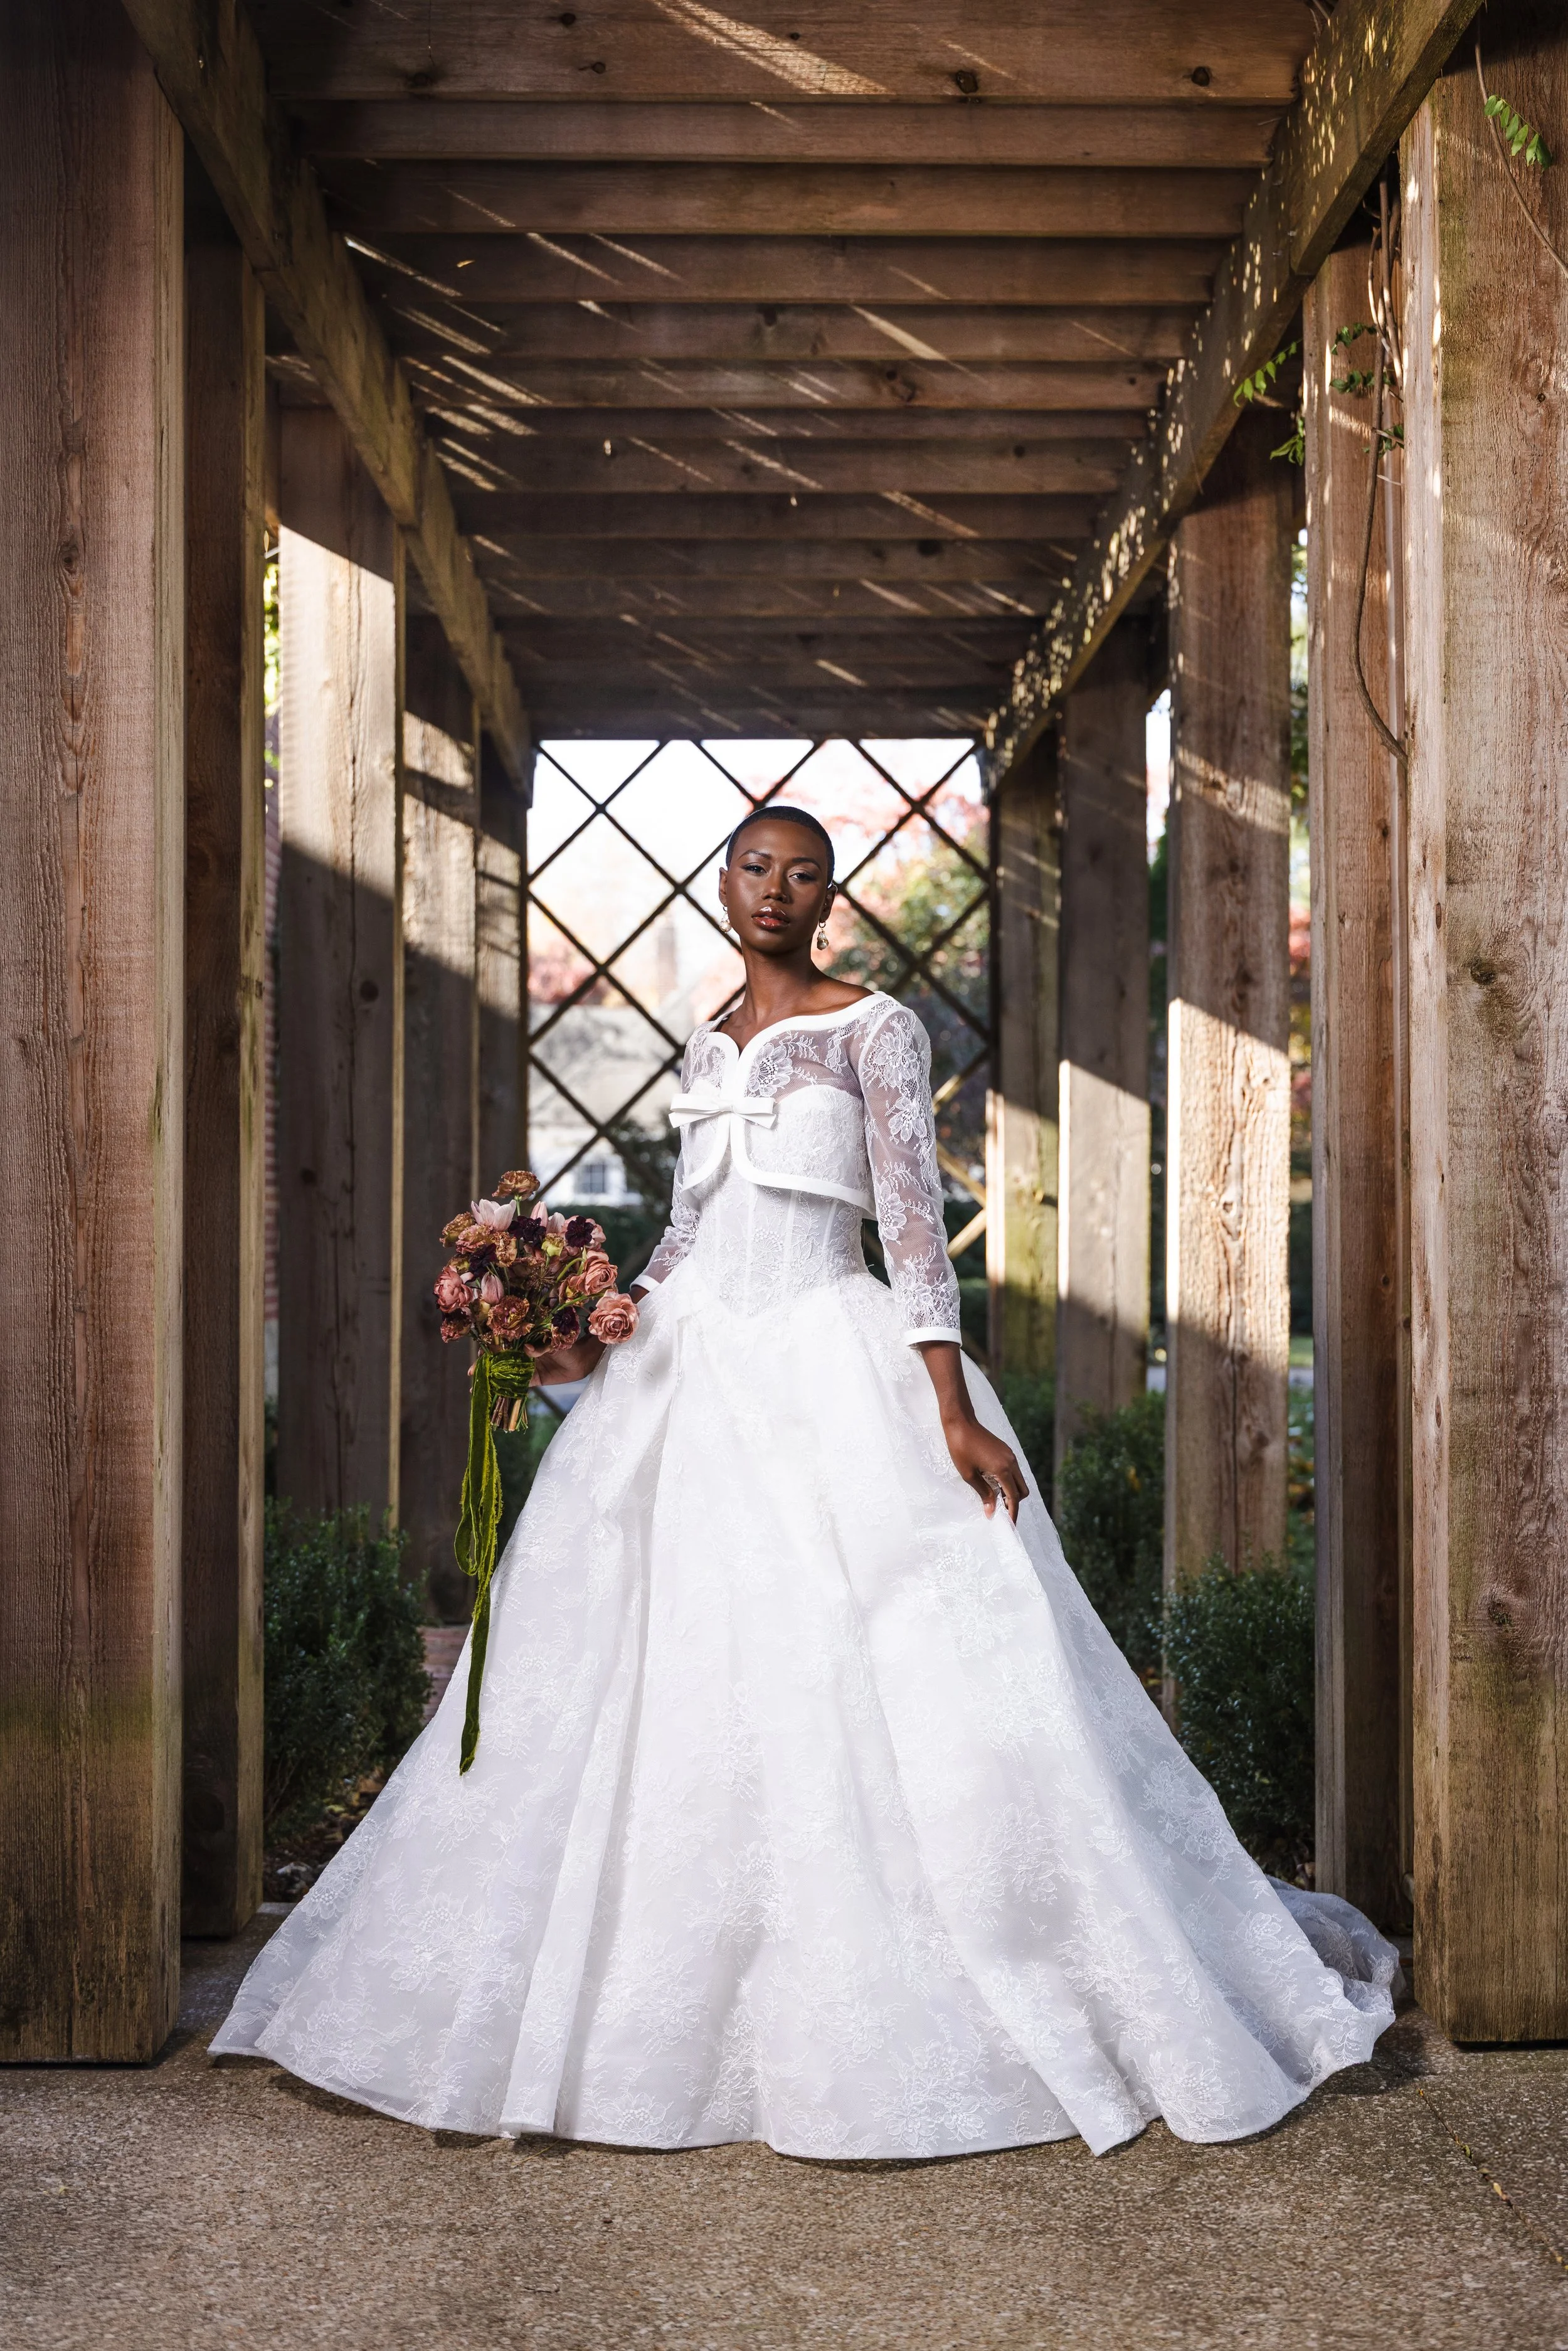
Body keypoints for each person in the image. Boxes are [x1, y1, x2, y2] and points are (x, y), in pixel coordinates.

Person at [213, 807, 1397, 2160]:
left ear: (826, 898)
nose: (776, 889)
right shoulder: (705, 1032)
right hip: (688, 1374)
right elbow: (685, 1228)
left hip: (832, 1364)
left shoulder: (871, 1027)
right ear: (723, 883)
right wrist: (592, 1331)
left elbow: (908, 1227)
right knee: (655, 1671)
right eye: (754, 867)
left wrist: (948, 1405)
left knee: (878, 1659)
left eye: (802, 874)